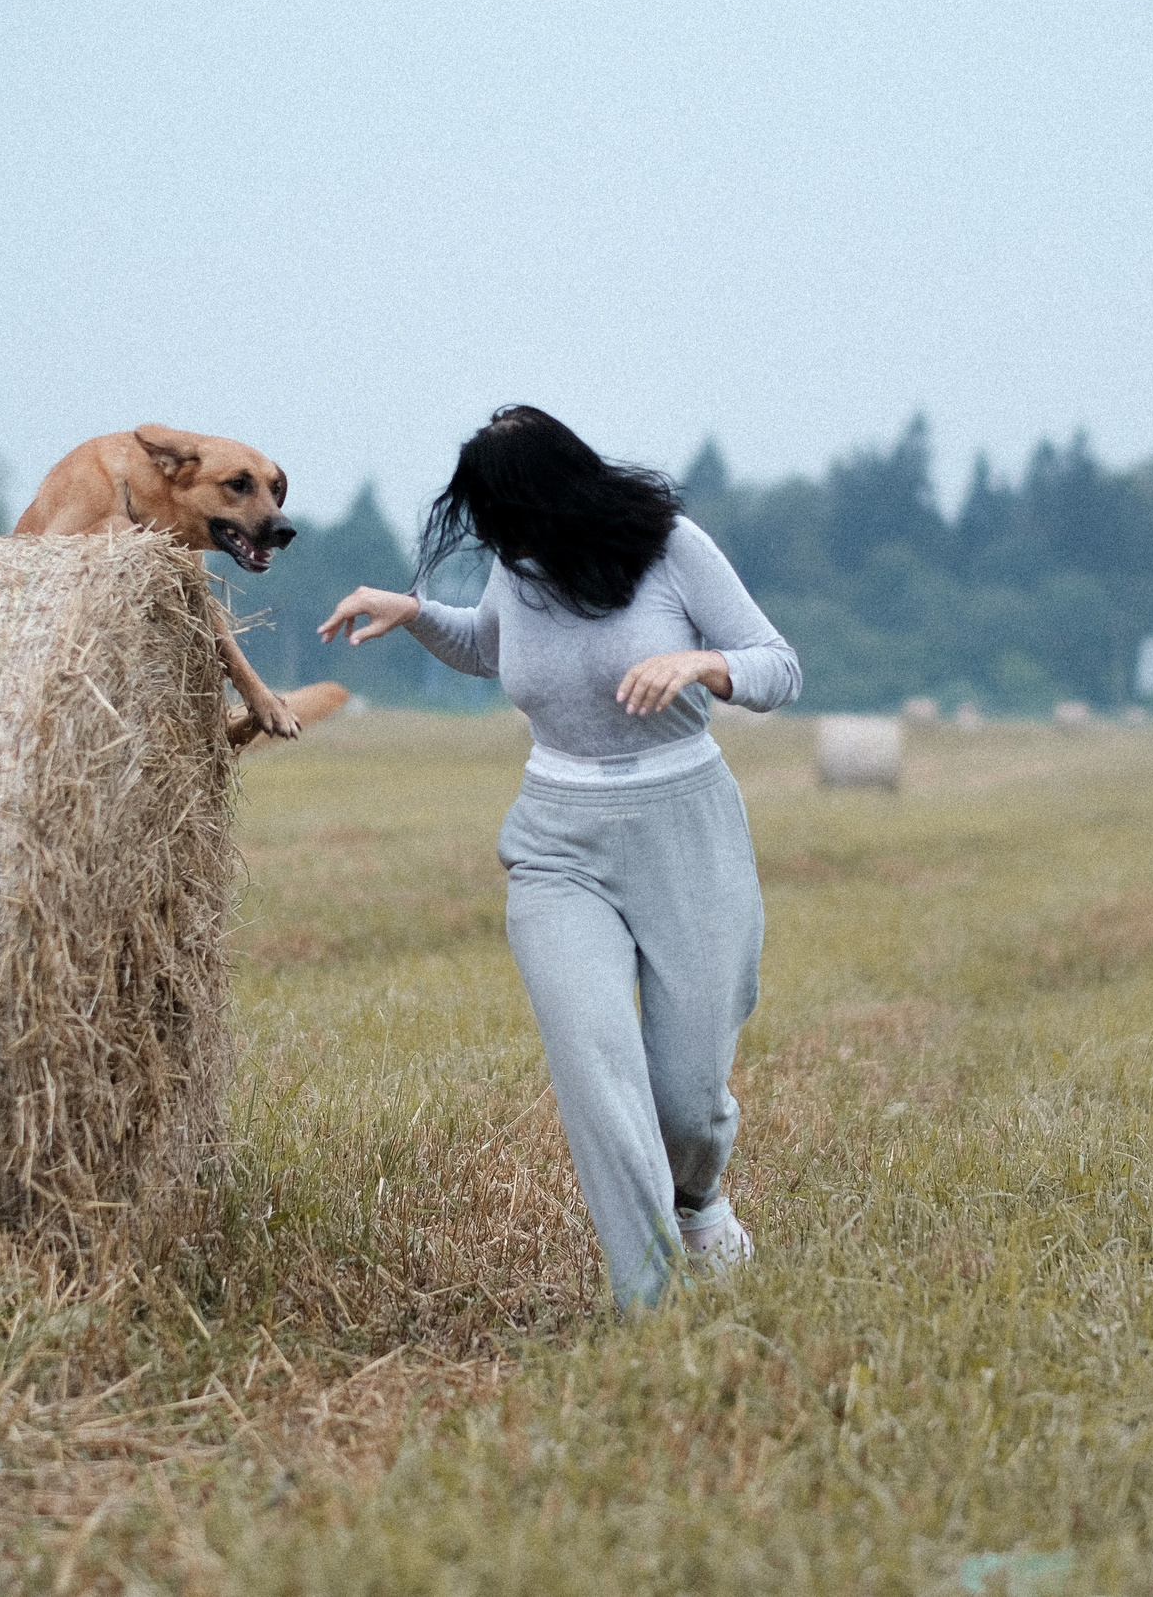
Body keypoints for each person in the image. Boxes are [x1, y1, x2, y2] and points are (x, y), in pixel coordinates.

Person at [318, 406, 801, 1309]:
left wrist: (703, 666)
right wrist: (414, 612)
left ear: (559, 496)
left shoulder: (672, 549)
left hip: (684, 827)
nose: (503, 546)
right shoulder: (519, 562)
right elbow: (489, 645)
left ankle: (699, 1202)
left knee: (685, 1100)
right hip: (555, 843)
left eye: (509, 522)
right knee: (595, 1064)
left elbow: (778, 665)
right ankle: (651, 1302)